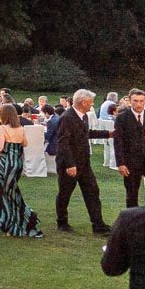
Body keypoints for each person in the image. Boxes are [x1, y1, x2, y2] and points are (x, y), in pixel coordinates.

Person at [54, 89, 112, 234]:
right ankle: (62, 222)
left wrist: (109, 133)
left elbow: (86, 133)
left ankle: (98, 225)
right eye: (91, 102)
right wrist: (70, 164)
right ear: (82, 102)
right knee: (65, 193)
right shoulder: (67, 118)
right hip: (70, 163)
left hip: (84, 163)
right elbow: (63, 143)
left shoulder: (83, 116)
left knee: (92, 191)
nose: (92, 104)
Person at [0, 104, 42, 238]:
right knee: (11, 192)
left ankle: (18, 220)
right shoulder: (21, 128)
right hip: (17, 163)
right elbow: (25, 143)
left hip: (6, 163)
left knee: (4, 193)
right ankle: (8, 221)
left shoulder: (2, 128)